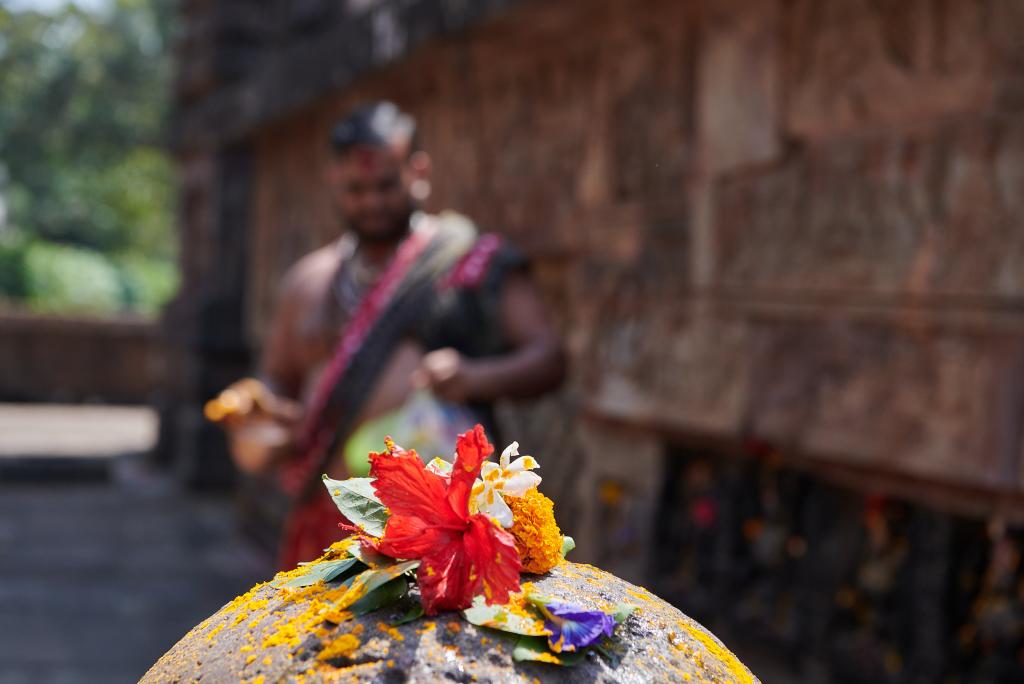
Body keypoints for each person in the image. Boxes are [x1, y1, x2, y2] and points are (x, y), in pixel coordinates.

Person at [207, 102, 565, 568]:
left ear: (418, 172)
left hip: (439, 527)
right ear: (334, 181)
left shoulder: (469, 260)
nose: (372, 201)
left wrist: (474, 376)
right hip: (328, 521)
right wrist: (257, 405)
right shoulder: (309, 281)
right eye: (356, 189)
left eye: (386, 186)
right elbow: (278, 379)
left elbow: (549, 356)